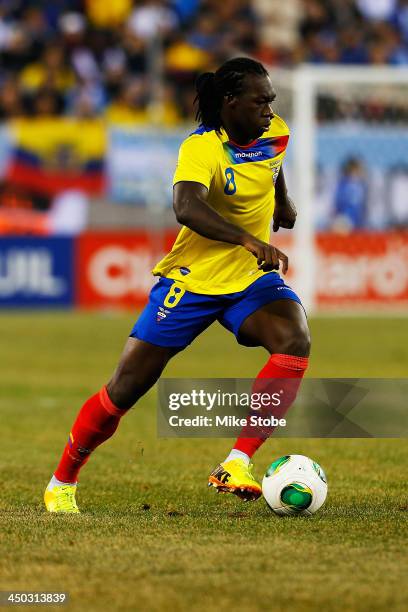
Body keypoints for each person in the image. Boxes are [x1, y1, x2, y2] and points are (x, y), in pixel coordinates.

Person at [44, 57, 310, 513]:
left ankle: (237, 462)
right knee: (124, 389)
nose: (270, 109)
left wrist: (281, 202)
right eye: (260, 101)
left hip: (248, 278)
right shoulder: (201, 148)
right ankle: (62, 481)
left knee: (294, 340)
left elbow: (274, 162)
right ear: (230, 103)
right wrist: (248, 238)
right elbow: (186, 207)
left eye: (272, 100)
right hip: (192, 282)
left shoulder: (275, 130)